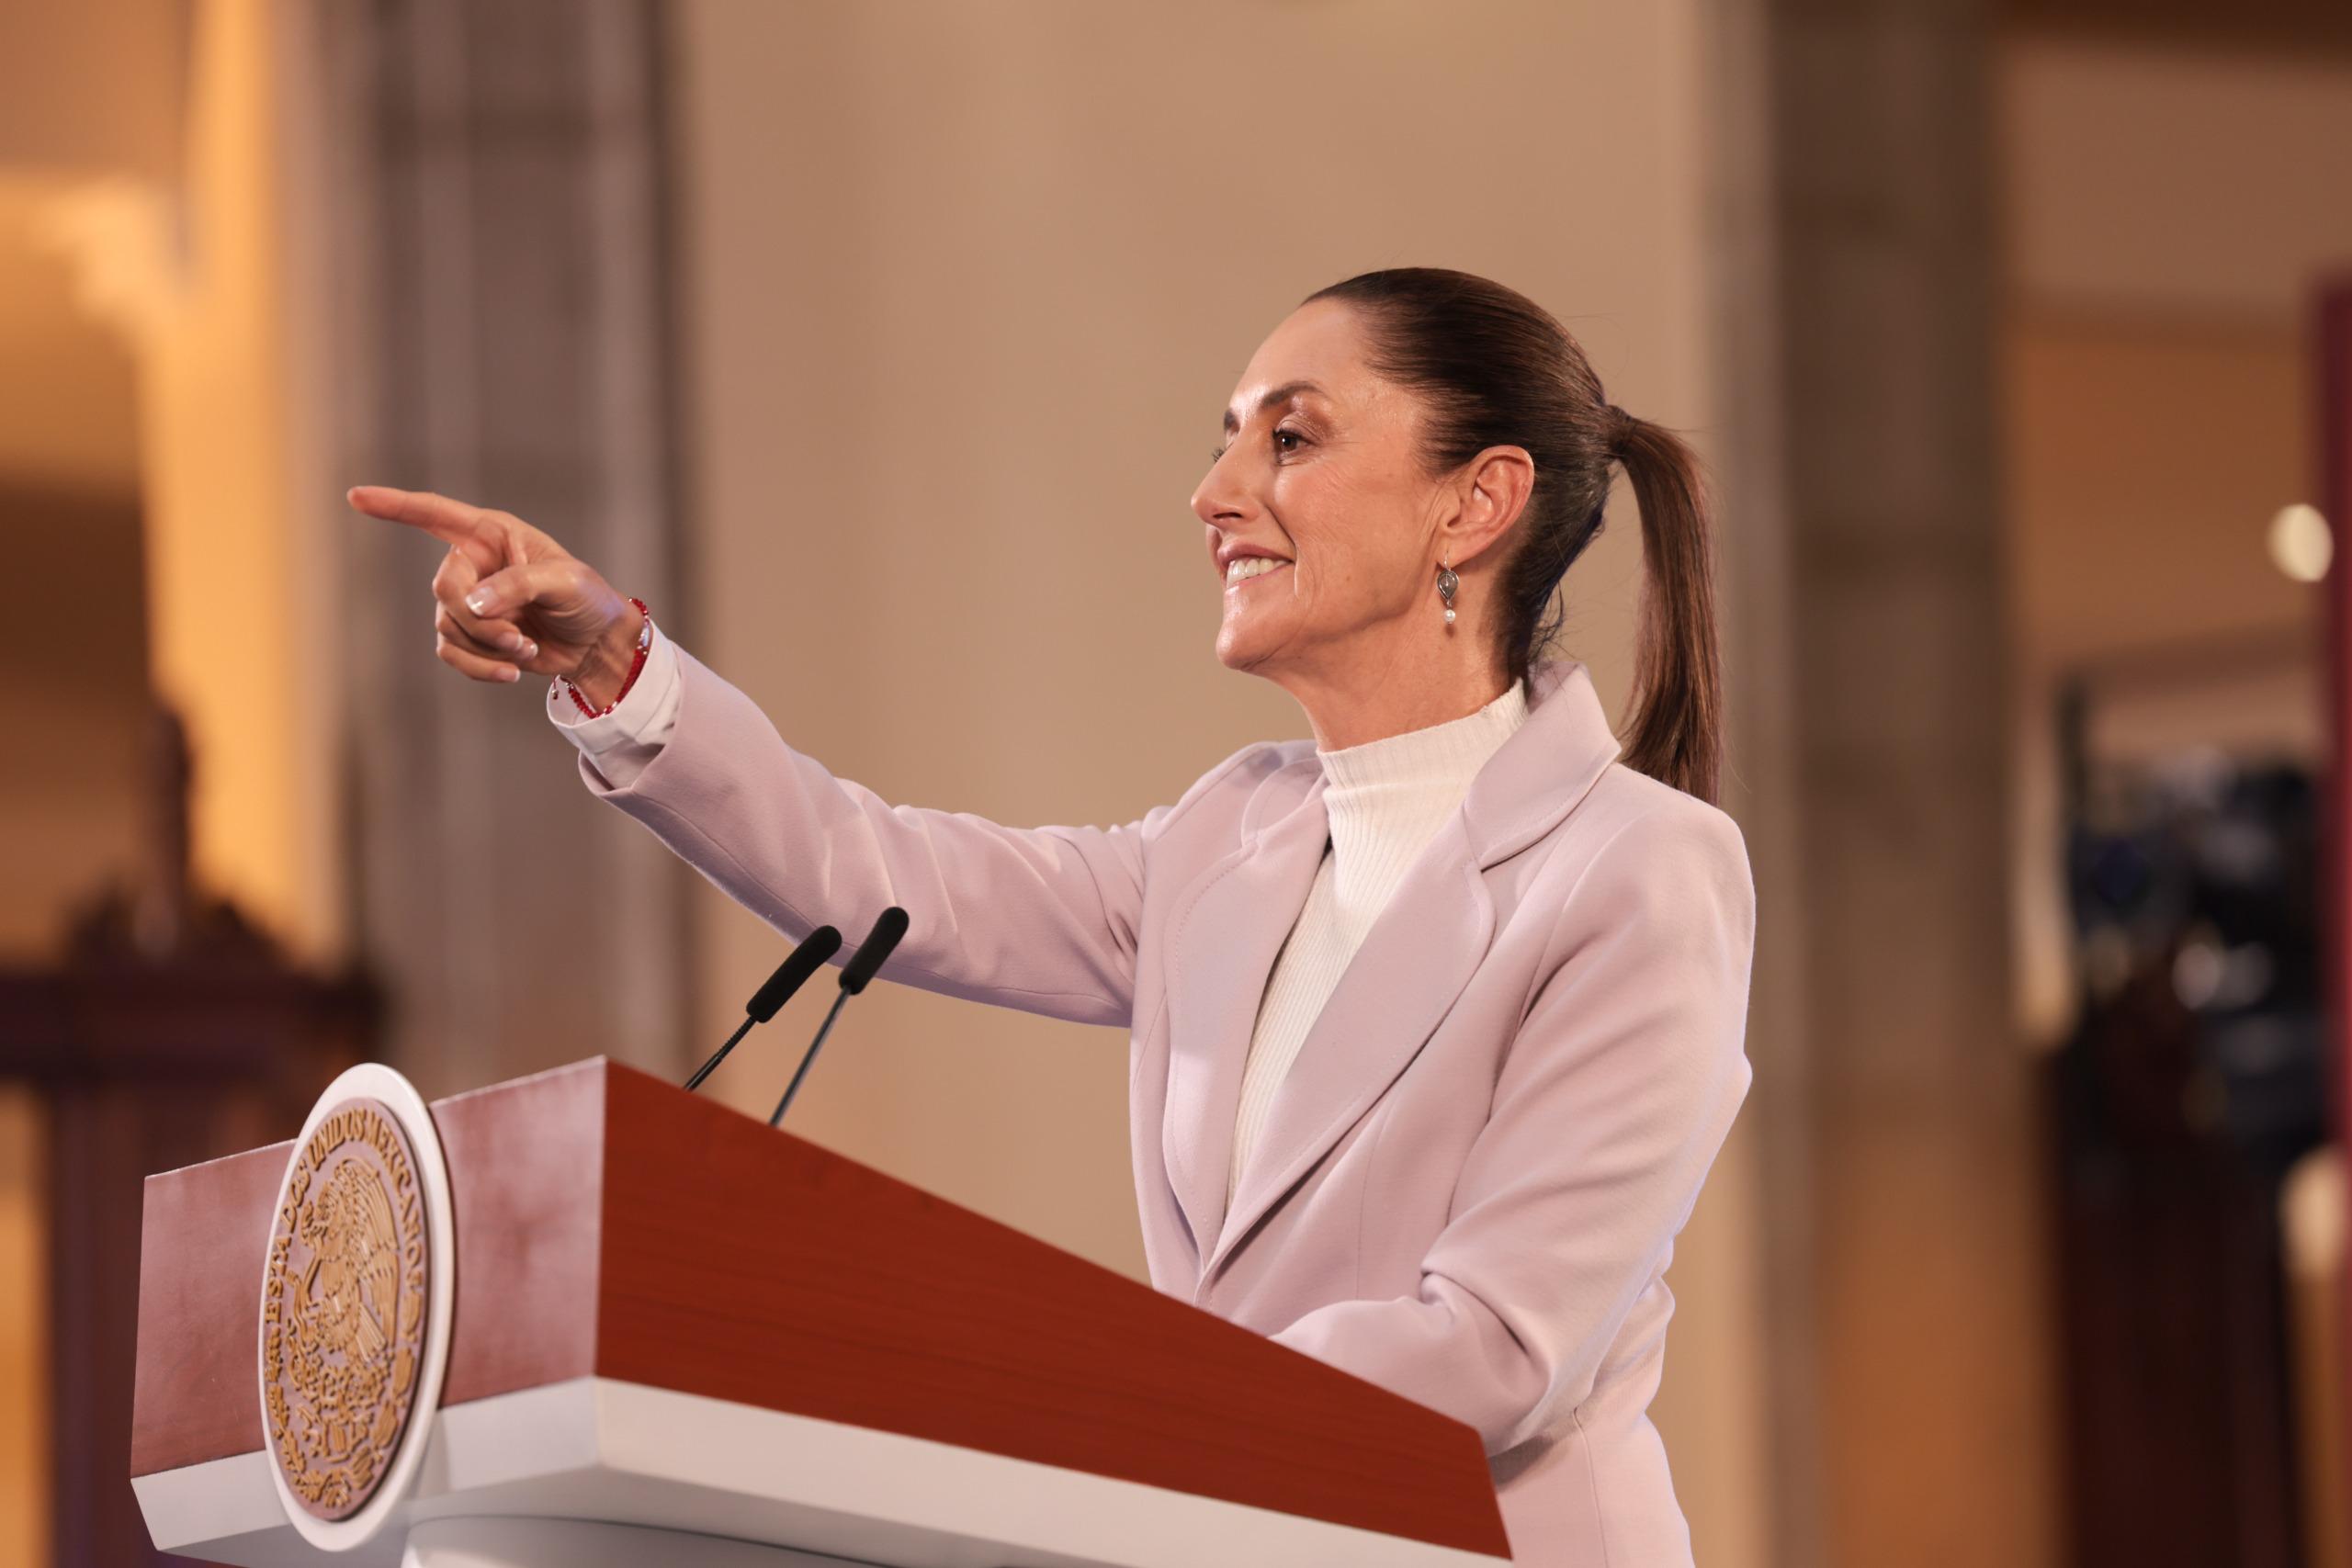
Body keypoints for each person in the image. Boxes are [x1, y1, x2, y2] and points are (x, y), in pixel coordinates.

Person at [348, 265, 1757, 1566]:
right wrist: (616, 664)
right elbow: (874, 879)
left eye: (1290, 438)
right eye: (1225, 438)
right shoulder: (1228, 839)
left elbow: (1502, 1346)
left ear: (1476, 502)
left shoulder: (1638, 869)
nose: (1213, 491)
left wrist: (1085, 1408)